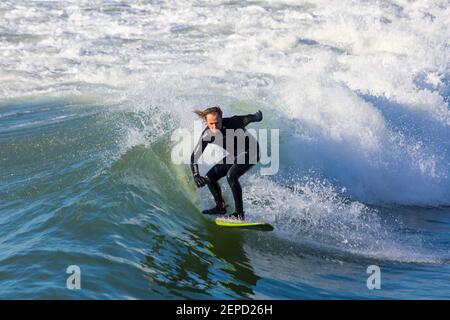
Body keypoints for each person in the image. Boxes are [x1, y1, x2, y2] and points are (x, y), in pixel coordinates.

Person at [190, 106, 263, 220]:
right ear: (206, 122)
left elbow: (248, 118)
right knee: (210, 178)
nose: (214, 127)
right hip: (235, 155)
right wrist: (196, 175)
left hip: (252, 151)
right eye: (211, 124)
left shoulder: (233, 122)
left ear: (222, 118)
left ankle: (239, 215)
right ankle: (220, 207)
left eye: (217, 123)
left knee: (231, 175)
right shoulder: (206, 135)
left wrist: (257, 116)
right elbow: (194, 156)